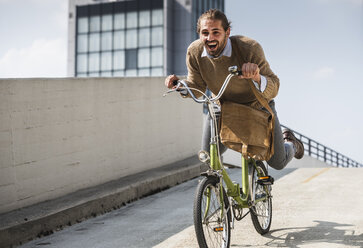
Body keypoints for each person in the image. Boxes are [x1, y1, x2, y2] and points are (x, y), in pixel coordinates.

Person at [164, 9, 304, 170]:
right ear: (199, 34)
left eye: (216, 32)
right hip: (223, 106)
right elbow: (197, 88)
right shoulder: (194, 52)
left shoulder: (249, 48)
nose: (209, 38)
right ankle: (217, 190)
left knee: (278, 162)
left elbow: (274, 86)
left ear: (227, 32)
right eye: (205, 33)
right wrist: (180, 86)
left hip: (256, 105)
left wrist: (257, 77)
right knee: (209, 157)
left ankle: (291, 143)